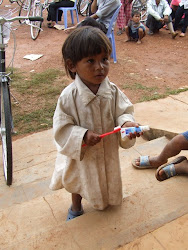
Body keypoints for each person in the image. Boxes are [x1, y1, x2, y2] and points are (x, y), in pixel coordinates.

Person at [49, 26, 142, 221]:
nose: (100, 67)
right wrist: (82, 135)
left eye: (104, 60)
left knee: (107, 175)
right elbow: (62, 127)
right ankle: (76, 206)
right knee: (78, 179)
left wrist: (126, 124)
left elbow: (123, 111)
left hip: (107, 150)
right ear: (72, 65)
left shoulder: (112, 91)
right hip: (83, 153)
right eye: (91, 61)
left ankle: (105, 199)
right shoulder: (69, 97)